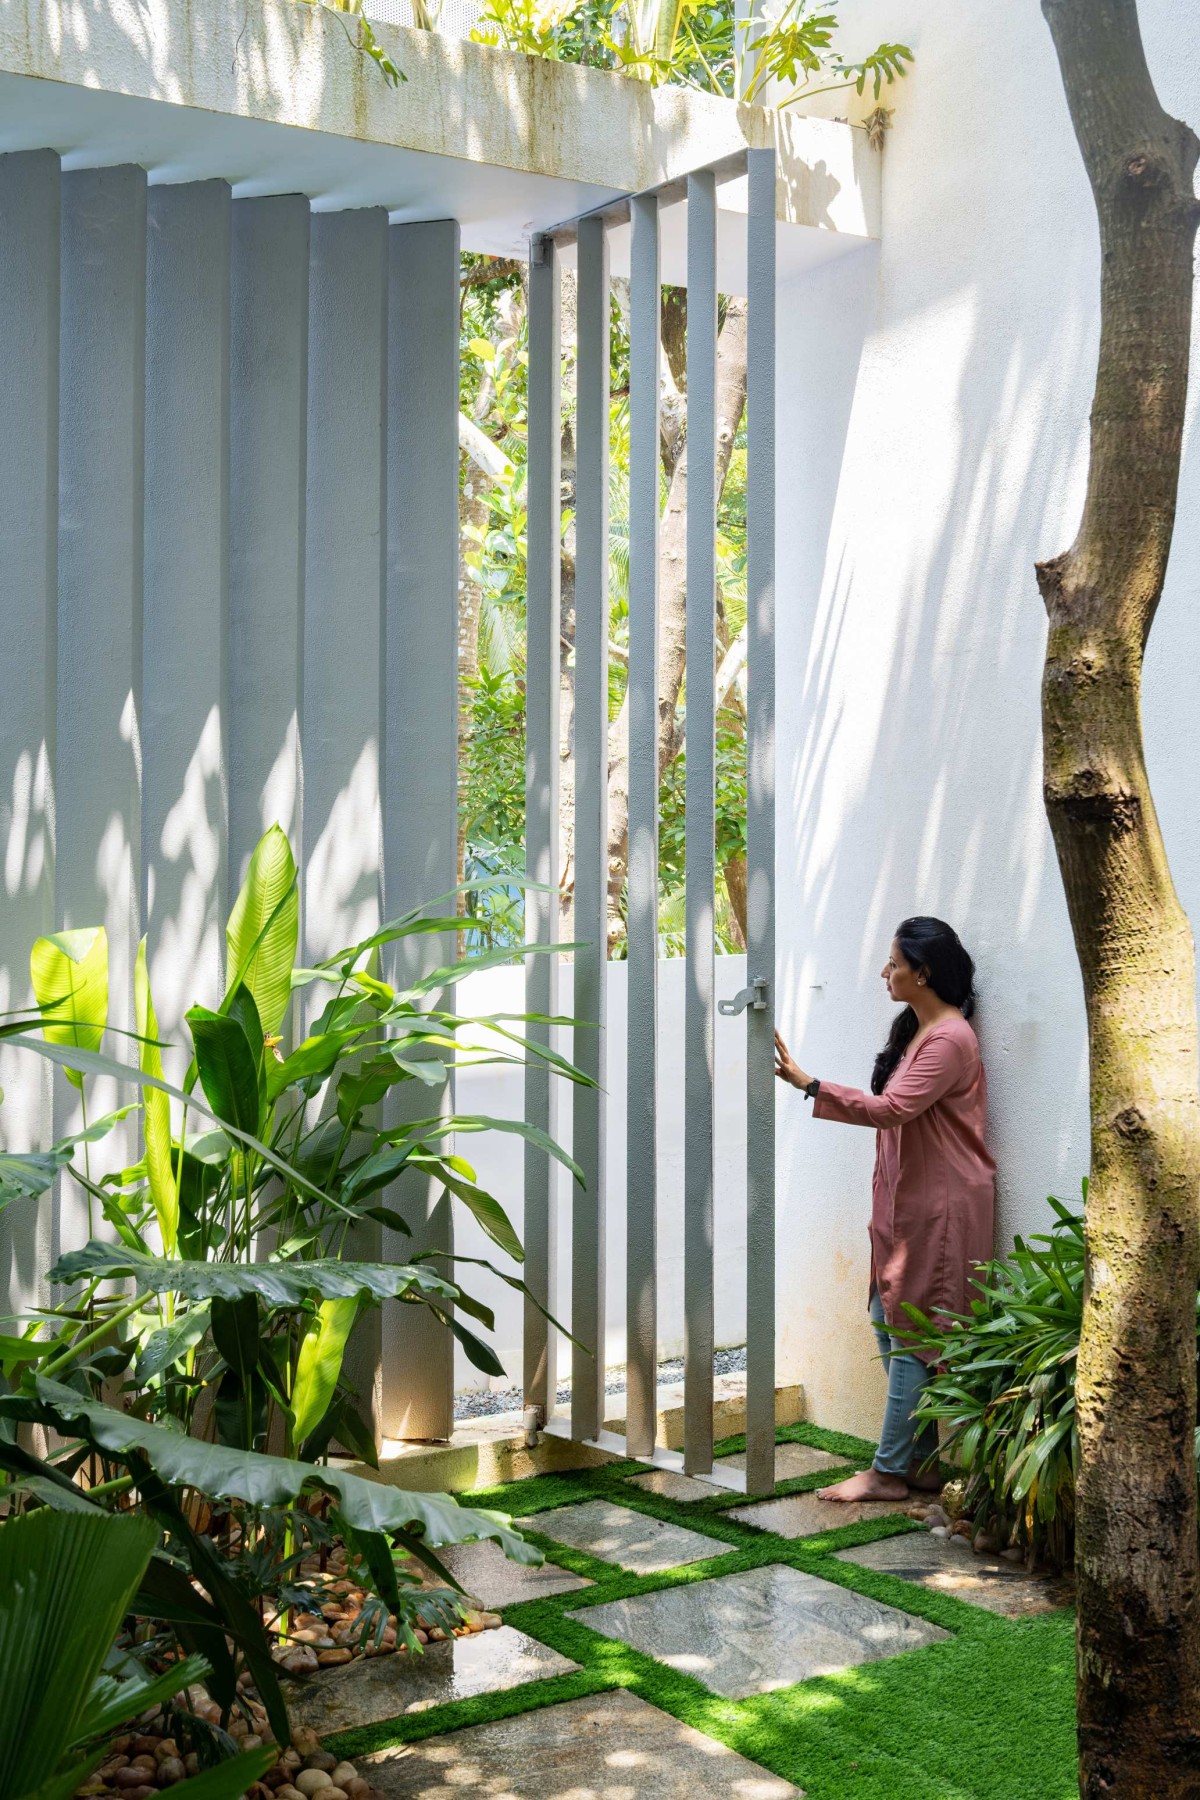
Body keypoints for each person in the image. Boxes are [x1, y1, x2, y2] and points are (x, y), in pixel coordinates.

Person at [774, 917, 996, 1502]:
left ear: (923, 972)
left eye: (894, 964)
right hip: (910, 1205)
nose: (885, 972)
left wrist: (810, 1083)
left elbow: (893, 1108)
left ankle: (887, 1470)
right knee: (888, 1317)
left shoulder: (950, 1039)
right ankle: (921, 1460)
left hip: (940, 1208)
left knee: (913, 1336)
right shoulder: (923, 1033)